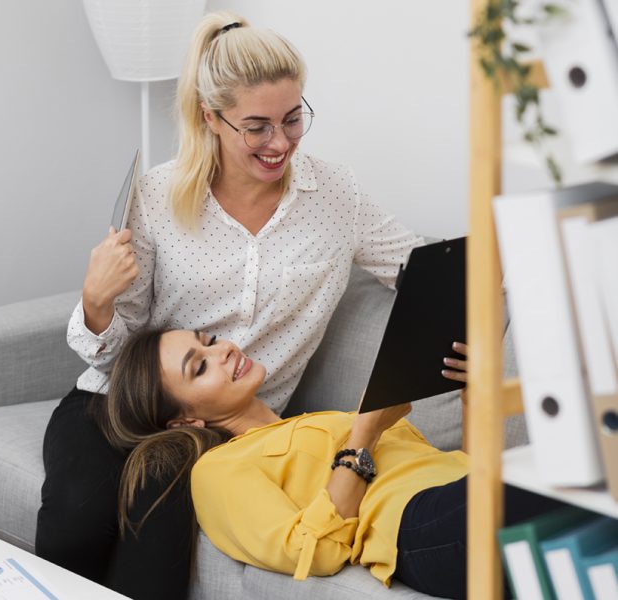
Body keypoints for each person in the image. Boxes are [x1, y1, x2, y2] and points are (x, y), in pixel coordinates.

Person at [36, 10, 427, 599]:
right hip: (117, 400)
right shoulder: (159, 197)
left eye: (294, 119)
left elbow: (423, 270)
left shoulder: (334, 194)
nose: (280, 143)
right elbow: (122, 344)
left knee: (164, 492)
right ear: (210, 117)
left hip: (221, 426)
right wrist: (96, 302)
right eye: (257, 126)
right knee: (78, 517)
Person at [95, 327, 562, 600]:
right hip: (418, 528)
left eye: (210, 340)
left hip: (463, 494)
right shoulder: (217, 470)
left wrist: (472, 393)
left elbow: (463, 467)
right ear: (186, 419)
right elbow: (310, 554)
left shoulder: (318, 418)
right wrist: (364, 433)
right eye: (200, 366)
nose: (224, 351)